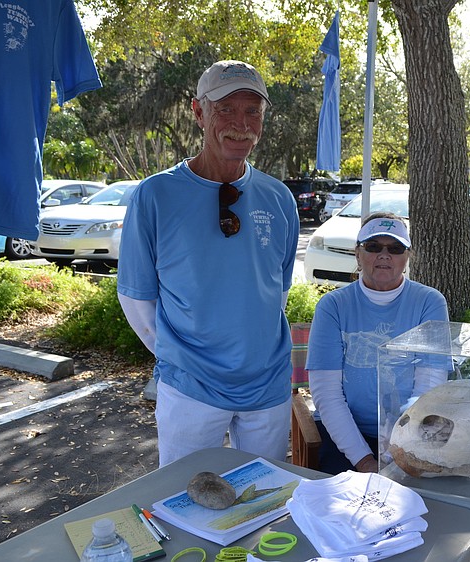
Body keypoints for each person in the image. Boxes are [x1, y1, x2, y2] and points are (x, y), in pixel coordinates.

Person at [117, 60, 300, 467]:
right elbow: (136, 298)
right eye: (226, 109)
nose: (242, 123)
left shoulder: (279, 198)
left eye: (253, 110)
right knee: (183, 502)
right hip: (190, 389)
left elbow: (277, 291)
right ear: (199, 113)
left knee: (262, 503)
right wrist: (181, 359)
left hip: (266, 389)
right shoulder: (155, 196)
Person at [306, 212, 449, 474]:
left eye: (395, 248)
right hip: (349, 435)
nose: (385, 255)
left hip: (412, 433)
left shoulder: (430, 302)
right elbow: (327, 394)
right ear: (357, 254)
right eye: (373, 246)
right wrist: (364, 461)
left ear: (407, 257)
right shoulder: (333, 306)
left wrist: (403, 450)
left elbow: (430, 386)